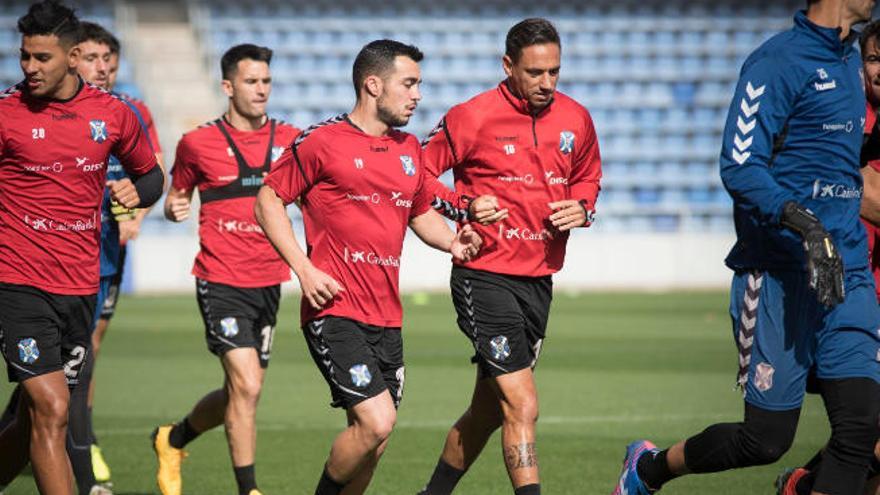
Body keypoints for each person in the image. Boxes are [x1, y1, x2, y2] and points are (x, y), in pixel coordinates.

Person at [613, 1, 880, 494]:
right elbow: (739, 165)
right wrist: (801, 221)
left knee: (861, 427)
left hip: (848, 273)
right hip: (779, 276)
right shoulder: (775, 62)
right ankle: (649, 468)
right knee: (766, 440)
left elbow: (835, 156)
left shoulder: (848, 62)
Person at [255, 39, 483, 495]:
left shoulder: (408, 150)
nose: (418, 94)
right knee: (377, 422)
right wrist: (304, 268)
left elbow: (420, 213)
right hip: (335, 309)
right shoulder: (322, 141)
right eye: (409, 83)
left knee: (373, 443)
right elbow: (267, 200)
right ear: (373, 84)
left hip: (387, 317)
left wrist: (453, 243)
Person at [416, 18, 601, 495]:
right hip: (483, 276)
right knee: (522, 405)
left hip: (538, 280)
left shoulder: (576, 118)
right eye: (535, 72)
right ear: (508, 66)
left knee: (487, 413)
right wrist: (462, 206)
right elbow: (415, 174)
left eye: (554, 72)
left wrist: (582, 208)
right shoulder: (471, 116)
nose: (546, 84)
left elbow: (588, 177)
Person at [0, 1, 163, 494]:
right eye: (26, 56)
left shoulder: (112, 114)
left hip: (80, 286)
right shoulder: (6, 114)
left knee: (34, 420)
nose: (30, 67)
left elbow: (151, 175)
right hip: (17, 283)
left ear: (72, 57)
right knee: (53, 409)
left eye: (42, 58)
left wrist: (142, 194)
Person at [150, 44, 299, 495]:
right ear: (227, 86)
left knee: (239, 393)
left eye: (266, 81)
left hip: (268, 281)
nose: (261, 90)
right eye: (252, 81)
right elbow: (177, 194)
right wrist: (174, 207)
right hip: (220, 279)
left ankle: (173, 438)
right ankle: (248, 490)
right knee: (248, 386)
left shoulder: (291, 139)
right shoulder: (198, 143)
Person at [776, 17, 880, 495]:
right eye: (874, 58)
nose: (879, 69)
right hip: (849, 289)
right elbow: (845, 188)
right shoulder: (844, 114)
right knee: (862, 432)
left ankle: (804, 484)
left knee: (865, 439)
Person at [76, 23, 164, 486]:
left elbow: (151, 172)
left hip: (108, 251)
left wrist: (138, 213)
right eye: (92, 57)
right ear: (72, 59)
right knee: (70, 355)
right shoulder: (53, 112)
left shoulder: (132, 111)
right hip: (58, 251)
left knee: (87, 349)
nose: (103, 67)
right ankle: (81, 444)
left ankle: (74, 438)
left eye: (108, 58)